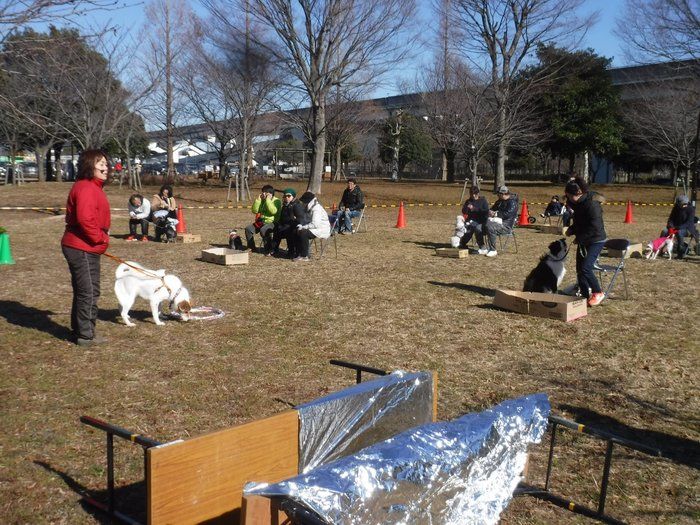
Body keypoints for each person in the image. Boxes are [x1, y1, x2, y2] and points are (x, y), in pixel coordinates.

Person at [61, 149, 111, 346]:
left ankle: (80, 330)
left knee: (84, 290)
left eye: (106, 164)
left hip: (84, 246)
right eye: (100, 164)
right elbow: (85, 219)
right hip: (82, 247)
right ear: (89, 165)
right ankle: (85, 335)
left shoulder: (92, 187)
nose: (105, 168)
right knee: (89, 291)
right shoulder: (86, 188)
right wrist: (100, 239)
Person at [564, 177, 607, 307]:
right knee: (579, 269)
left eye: (569, 196)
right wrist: (571, 230)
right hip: (584, 239)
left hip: (596, 240)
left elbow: (594, 227)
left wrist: (580, 238)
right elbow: (579, 223)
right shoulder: (577, 204)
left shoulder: (592, 205)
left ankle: (598, 292)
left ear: (578, 194)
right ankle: (583, 295)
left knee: (586, 268)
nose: (568, 199)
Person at [477, 185, 518, 257]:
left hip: (506, 226)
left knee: (490, 226)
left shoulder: (512, 203)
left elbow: (507, 214)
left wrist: (495, 214)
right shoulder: (499, 201)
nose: (497, 196)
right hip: (495, 222)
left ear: (503, 194)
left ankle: (493, 250)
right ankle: (482, 248)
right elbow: (492, 209)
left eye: (498, 194)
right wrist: (490, 211)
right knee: (478, 227)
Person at [294, 191, 331, 262]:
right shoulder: (309, 208)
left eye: (303, 202)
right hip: (314, 228)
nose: (302, 203)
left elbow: (315, 224)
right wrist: (301, 225)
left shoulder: (316, 209)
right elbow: (306, 220)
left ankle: (304, 256)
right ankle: (298, 253)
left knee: (303, 233)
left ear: (308, 202)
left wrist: (304, 227)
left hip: (322, 229)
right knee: (296, 230)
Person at [271, 188, 307, 257]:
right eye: (284, 196)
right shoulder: (285, 205)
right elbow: (282, 217)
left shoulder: (296, 205)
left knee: (289, 232)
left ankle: (291, 252)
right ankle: (274, 249)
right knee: (276, 230)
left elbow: (301, 219)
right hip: (284, 226)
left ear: (293, 197)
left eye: (288, 196)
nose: (286, 198)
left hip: (293, 227)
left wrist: (293, 222)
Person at [245, 185, 281, 253]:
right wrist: (258, 200)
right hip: (262, 221)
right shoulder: (262, 201)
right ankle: (251, 247)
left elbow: (273, 211)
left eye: (265, 192)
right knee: (248, 229)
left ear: (270, 194)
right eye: (263, 192)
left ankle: (268, 248)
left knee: (263, 230)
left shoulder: (277, 201)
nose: (263, 194)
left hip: (272, 222)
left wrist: (268, 200)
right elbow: (255, 211)